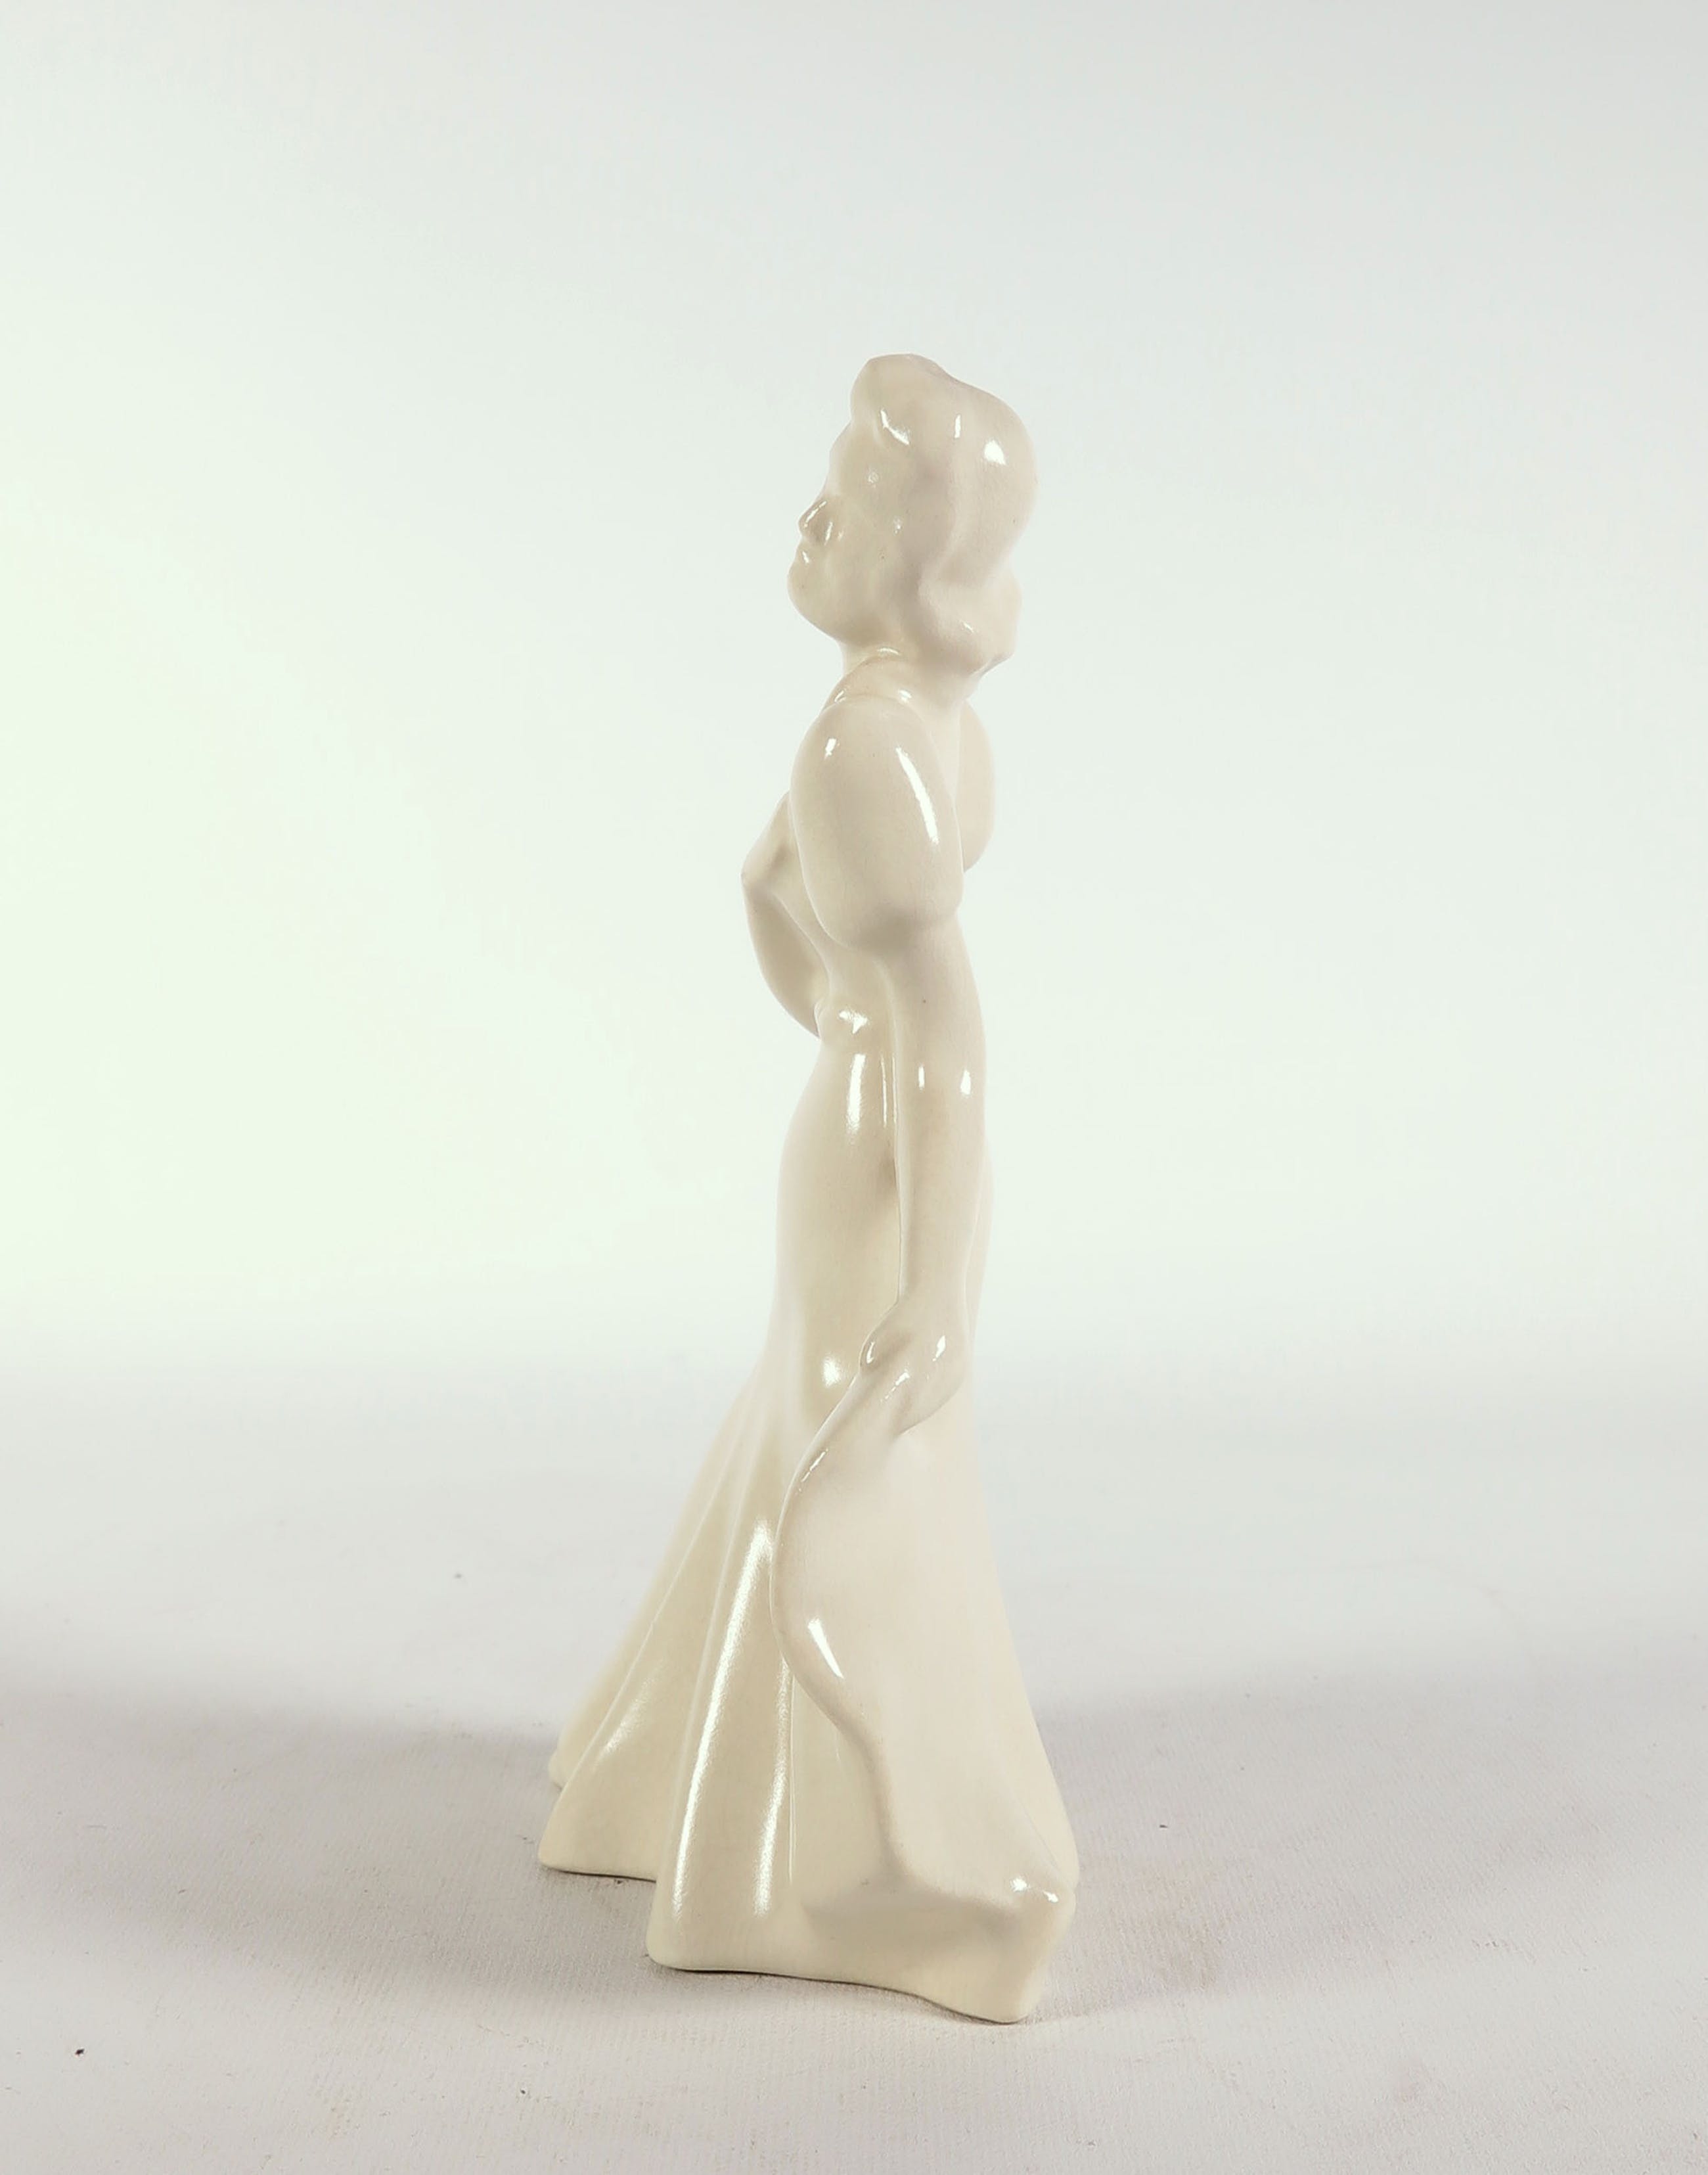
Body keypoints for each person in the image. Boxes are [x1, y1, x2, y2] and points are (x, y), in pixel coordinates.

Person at [540, 355, 1077, 2021]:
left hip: (872, 1156)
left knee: (849, 1478)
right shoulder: (925, 727)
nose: (811, 515)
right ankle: (691, 1787)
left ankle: (864, 1866)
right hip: (860, 1142)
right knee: (803, 1435)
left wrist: (936, 1282)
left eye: (848, 499)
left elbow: (943, 1032)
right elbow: (850, 971)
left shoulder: (867, 746)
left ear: (917, 562)